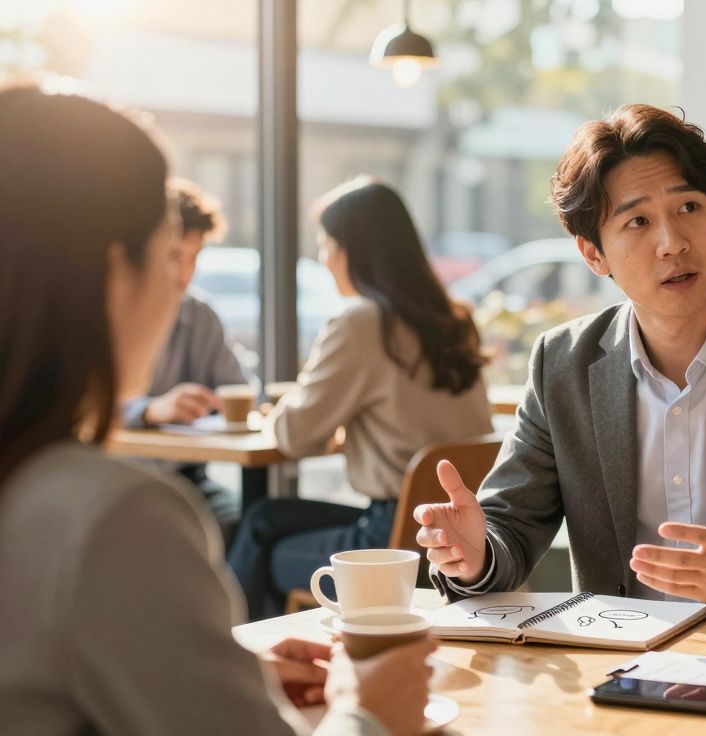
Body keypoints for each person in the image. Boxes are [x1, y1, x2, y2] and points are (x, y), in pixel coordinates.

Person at [0, 84, 433, 735]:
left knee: (256, 522)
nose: (180, 286)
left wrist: (210, 667)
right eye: (169, 254)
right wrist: (370, 713)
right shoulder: (112, 518)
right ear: (118, 275)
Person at [415, 103, 706, 631]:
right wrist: (476, 555)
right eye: (638, 221)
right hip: (621, 684)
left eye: (689, 208)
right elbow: (510, 525)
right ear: (593, 254)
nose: (673, 243)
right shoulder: (563, 366)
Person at [227, 177, 493, 620]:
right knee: (264, 518)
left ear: (354, 249)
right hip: (455, 534)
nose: (324, 259)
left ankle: (239, 664)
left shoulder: (363, 322)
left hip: (389, 536)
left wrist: (280, 410)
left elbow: (294, 436)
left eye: (326, 245)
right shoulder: (454, 320)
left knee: (260, 542)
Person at [120, 177, 250, 545]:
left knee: (244, 525)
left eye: (193, 259)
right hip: (126, 473)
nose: (184, 273)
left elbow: (239, 388)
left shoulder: (200, 314)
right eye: (174, 256)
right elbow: (81, 410)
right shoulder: (116, 311)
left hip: (188, 479)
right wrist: (148, 410)